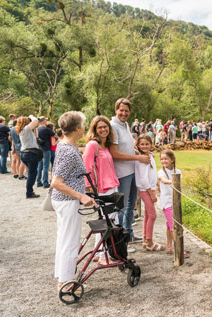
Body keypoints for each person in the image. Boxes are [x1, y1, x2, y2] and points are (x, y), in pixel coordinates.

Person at [51, 111, 96, 292]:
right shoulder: (69, 152)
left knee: (64, 239)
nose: (84, 129)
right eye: (83, 125)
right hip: (68, 201)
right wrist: (80, 195)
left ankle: (63, 277)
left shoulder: (64, 145)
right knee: (70, 242)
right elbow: (56, 182)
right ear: (78, 128)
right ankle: (68, 283)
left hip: (63, 201)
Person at [109, 98, 150, 252]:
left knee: (131, 205)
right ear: (116, 110)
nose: (124, 113)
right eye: (121, 110)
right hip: (122, 173)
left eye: (127, 111)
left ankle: (129, 234)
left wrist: (139, 153)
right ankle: (121, 243)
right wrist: (137, 158)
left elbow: (126, 148)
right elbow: (115, 153)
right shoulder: (113, 126)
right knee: (121, 207)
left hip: (132, 171)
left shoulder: (125, 125)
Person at [83, 115, 120, 265]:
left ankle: (100, 253)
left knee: (108, 220)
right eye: (100, 127)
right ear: (94, 130)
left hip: (112, 186)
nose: (103, 129)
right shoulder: (93, 145)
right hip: (102, 188)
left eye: (105, 127)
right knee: (106, 221)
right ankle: (104, 256)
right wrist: (90, 186)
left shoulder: (106, 145)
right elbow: (87, 166)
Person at [134, 134, 164, 251]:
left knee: (147, 214)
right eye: (142, 144)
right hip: (145, 189)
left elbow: (152, 172)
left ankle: (145, 239)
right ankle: (150, 242)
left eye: (147, 144)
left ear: (151, 144)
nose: (145, 146)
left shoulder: (150, 156)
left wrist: (156, 184)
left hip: (150, 188)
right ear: (138, 145)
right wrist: (151, 193)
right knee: (152, 215)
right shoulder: (142, 159)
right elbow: (143, 179)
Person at [158, 149, 188, 258]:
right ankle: (178, 249)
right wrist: (173, 181)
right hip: (167, 203)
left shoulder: (177, 171)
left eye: (166, 159)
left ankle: (169, 246)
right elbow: (164, 180)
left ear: (172, 160)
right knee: (173, 226)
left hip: (175, 201)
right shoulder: (161, 172)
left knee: (169, 225)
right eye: (161, 159)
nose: (163, 161)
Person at [18, 115, 41, 198]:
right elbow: (35, 120)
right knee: (32, 173)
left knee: (33, 172)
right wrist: (31, 116)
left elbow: (36, 137)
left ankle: (30, 190)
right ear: (26, 123)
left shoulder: (23, 130)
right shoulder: (26, 129)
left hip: (25, 153)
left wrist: (36, 130)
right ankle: (29, 192)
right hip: (30, 153)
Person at [36, 116, 55, 188]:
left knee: (39, 166)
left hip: (39, 149)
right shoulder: (47, 129)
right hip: (46, 149)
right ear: (44, 121)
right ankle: (45, 182)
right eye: (46, 121)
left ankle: (38, 181)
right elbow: (55, 135)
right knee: (46, 167)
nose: (47, 122)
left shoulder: (36, 129)